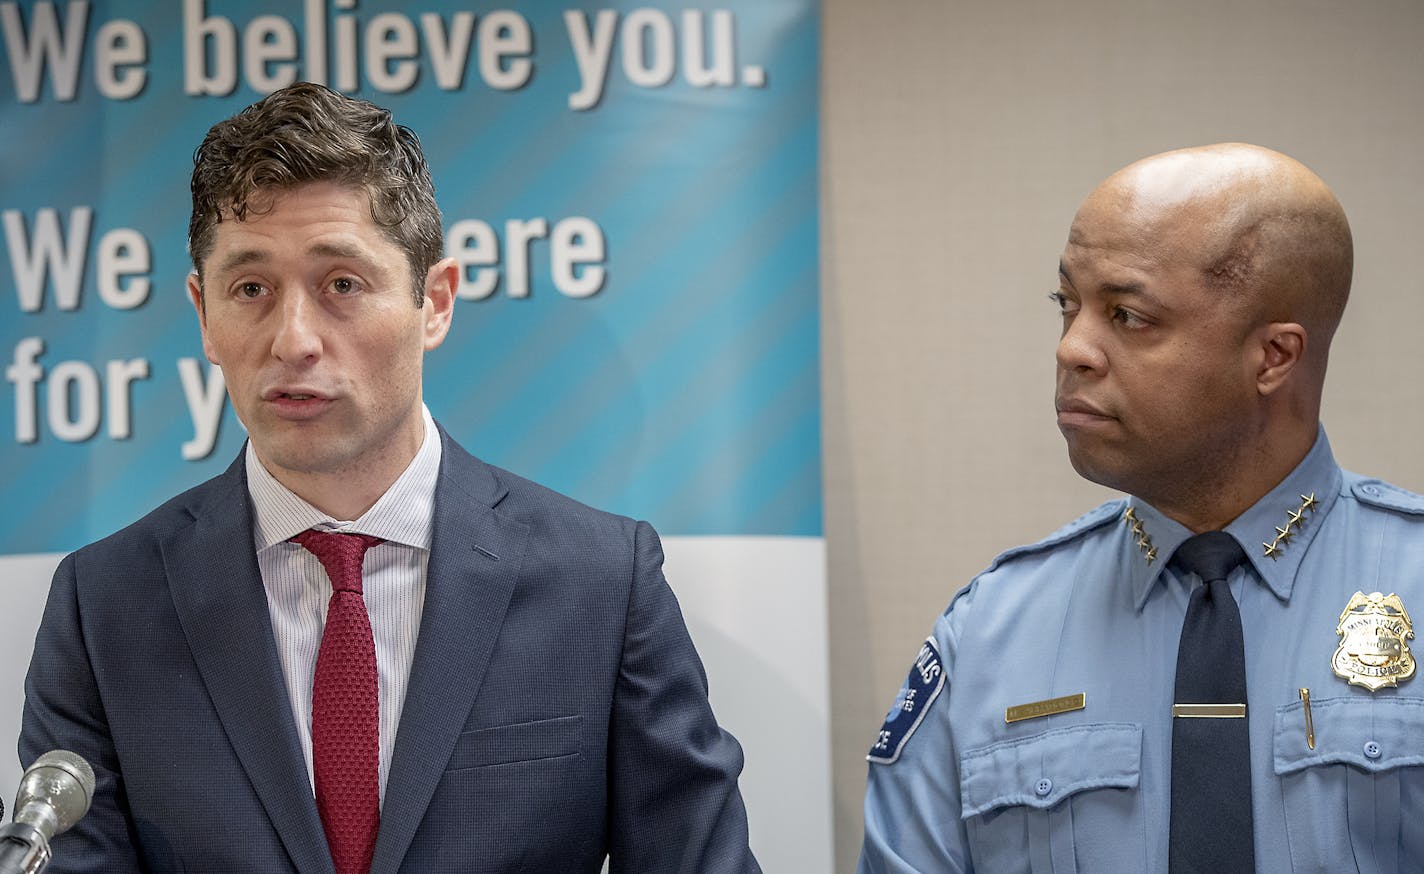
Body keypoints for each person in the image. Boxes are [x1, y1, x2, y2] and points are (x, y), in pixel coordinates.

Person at [20, 82, 759, 874]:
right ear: (204, 316)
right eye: (251, 290)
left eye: (342, 283)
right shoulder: (104, 609)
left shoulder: (604, 584)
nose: (294, 339)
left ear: (434, 302)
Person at [858, 144, 1424, 872]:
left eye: (1127, 315)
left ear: (1274, 357)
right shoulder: (992, 633)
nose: (1073, 349)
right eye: (1068, 306)